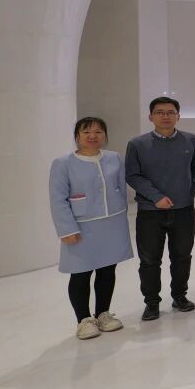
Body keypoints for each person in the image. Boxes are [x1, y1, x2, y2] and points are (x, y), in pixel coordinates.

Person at [50, 117, 132, 339]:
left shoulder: (114, 158)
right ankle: (84, 320)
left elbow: (120, 189)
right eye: (86, 132)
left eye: (98, 132)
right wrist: (66, 229)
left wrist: (122, 216)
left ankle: (103, 314)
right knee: (81, 273)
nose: (93, 136)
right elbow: (57, 199)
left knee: (107, 270)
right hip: (81, 226)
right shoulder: (63, 163)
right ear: (77, 136)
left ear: (105, 135)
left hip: (112, 223)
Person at [126, 97, 195, 321]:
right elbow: (132, 175)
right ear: (151, 117)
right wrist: (156, 197)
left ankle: (180, 296)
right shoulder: (137, 144)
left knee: (182, 256)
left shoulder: (192, 141)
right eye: (160, 112)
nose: (165, 116)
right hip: (150, 212)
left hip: (183, 210)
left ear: (178, 116)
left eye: (170, 112)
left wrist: (189, 193)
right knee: (150, 260)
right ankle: (152, 302)